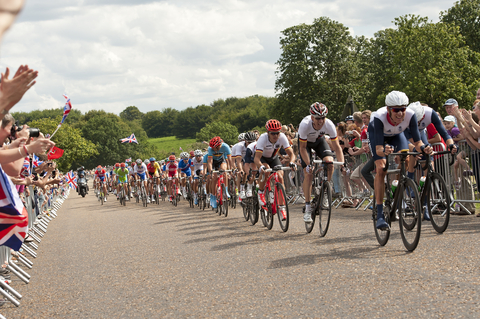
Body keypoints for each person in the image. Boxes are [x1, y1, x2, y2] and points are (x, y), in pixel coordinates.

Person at [369, 91, 432, 230]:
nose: (400, 113)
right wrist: (384, 151)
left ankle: (399, 189)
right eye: (396, 110)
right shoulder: (379, 117)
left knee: (406, 156)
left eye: (402, 109)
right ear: (388, 109)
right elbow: (379, 148)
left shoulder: (411, 115)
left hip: (397, 136)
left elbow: (417, 142)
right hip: (377, 137)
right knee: (381, 168)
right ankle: (380, 214)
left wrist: (425, 148)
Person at [298, 103, 344, 223]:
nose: (320, 121)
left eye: (323, 118)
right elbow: (302, 148)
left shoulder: (329, 124)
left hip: (319, 142)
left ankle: (325, 190)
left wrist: (342, 163)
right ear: (312, 117)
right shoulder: (304, 125)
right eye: (318, 118)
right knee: (308, 173)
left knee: (330, 163)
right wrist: (308, 164)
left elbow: (337, 146)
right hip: (306, 145)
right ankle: (308, 208)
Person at [255, 119, 296, 220]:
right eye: (273, 133)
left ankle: (282, 208)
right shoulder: (262, 138)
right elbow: (256, 158)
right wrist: (261, 166)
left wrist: (292, 162)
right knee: (267, 170)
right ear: (268, 132)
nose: (275, 136)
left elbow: (291, 154)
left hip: (274, 158)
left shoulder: (282, 137)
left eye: (277, 133)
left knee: (280, 177)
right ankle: (260, 191)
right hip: (263, 158)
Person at [207, 136, 233, 208]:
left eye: (214, 148)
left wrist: (230, 170)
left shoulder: (225, 146)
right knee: (214, 178)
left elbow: (230, 160)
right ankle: (213, 197)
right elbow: (209, 162)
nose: (213, 150)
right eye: (212, 148)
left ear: (218, 146)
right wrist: (211, 171)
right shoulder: (210, 149)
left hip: (221, 160)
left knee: (224, 171)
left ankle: (226, 190)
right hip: (213, 162)